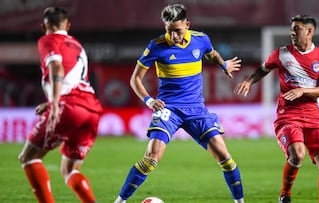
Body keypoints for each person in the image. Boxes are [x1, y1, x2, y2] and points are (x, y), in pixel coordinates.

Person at [114, 4, 245, 203]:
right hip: (168, 109)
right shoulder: (156, 46)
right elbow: (135, 79)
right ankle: (120, 201)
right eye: (169, 31)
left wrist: (223, 64)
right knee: (150, 159)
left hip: (196, 109)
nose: (174, 36)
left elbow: (212, 53)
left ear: (187, 24)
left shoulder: (201, 39)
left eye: (177, 31)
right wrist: (149, 100)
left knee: (225, 158)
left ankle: (240, 201)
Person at [234, 15, 319, 203]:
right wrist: (248, 81)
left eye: (297, 29)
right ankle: (285, 195)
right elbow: (262, 70)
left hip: (314, 116)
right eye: (291, 29)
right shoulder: (282, 53)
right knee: (297, 154)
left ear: (309, 31)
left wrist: (302, 91)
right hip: (288, 116)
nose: (292, 32)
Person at [18, 7, 103, 203]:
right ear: (68, 25)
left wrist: (55, 103)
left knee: (29, 157)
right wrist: (51, 102)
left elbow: (56, 67)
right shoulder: (77, 45)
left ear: (43, 26)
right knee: (70, 170)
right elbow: (73, 80)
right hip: (91, 110)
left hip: (69, 107)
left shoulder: (47, 40)